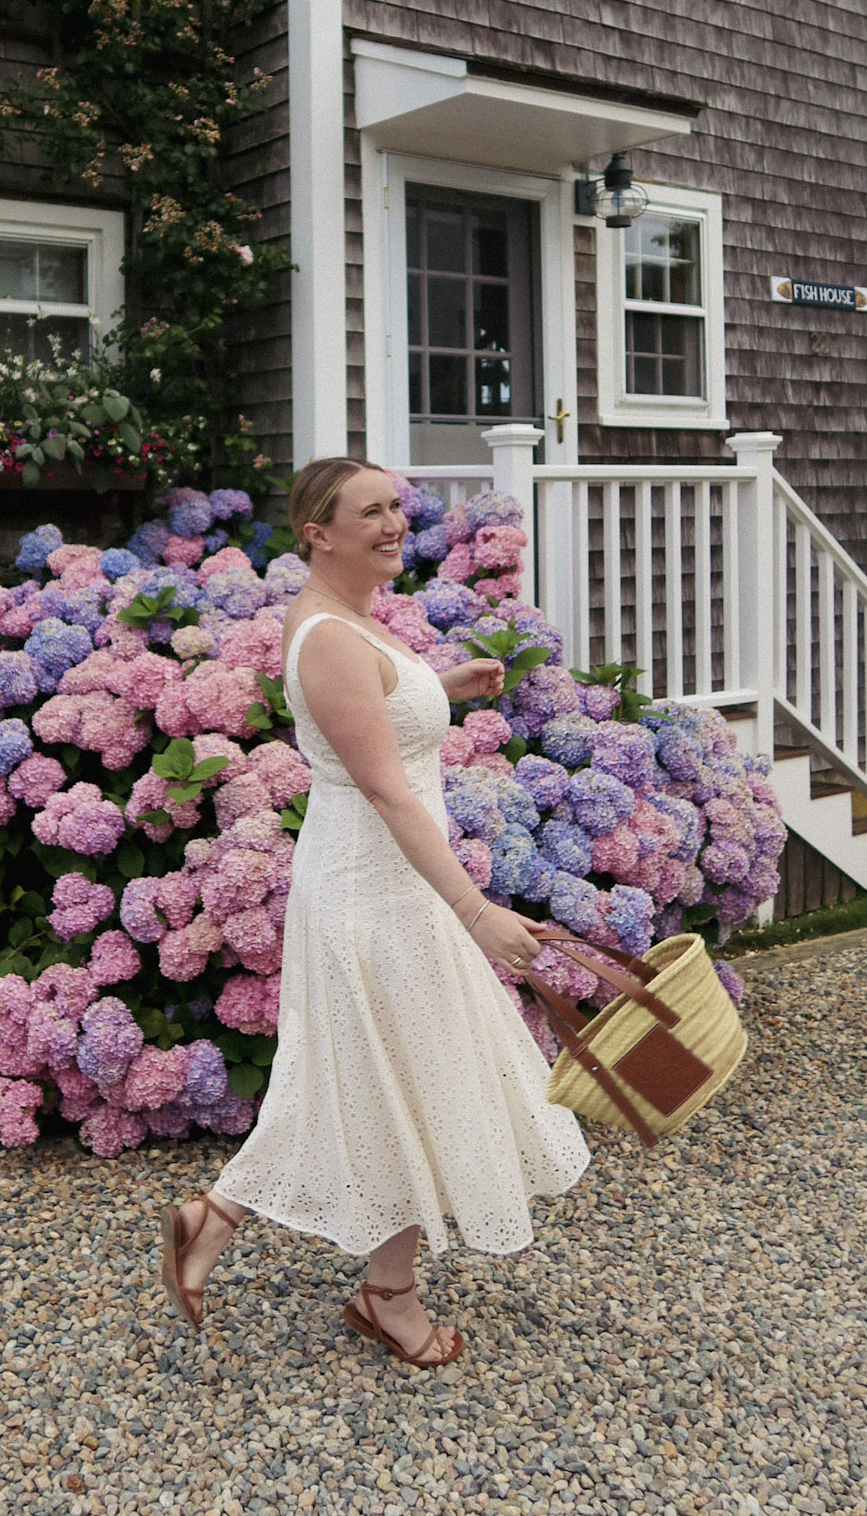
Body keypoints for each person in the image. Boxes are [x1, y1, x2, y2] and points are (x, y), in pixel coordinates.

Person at [160, 458, 589, 1367]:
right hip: (373, 892)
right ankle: (373, 1290)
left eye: (398, 506)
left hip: (390, 885)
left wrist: (441, 684)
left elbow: (371, 709)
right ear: (317, 533)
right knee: (389, 1080)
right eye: (370, 512)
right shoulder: (328, 638)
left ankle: (242, 1230)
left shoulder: (343, 623)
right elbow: (389, 794)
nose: (394, 523)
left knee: (396, 1081)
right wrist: (478, 917)